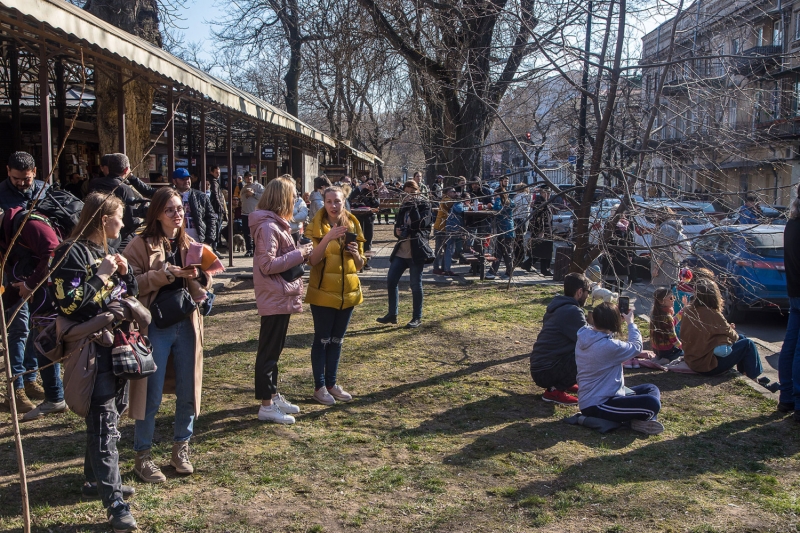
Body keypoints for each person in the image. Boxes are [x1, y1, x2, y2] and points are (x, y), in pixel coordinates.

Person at [50, 192, 139, 532]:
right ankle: (116, 505)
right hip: (90, 351)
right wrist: (101, 275)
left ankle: (93, 480)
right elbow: (68, 304)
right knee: (103, 426)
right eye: (119, 217)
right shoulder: (70, 253)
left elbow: (126, 296)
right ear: (104, 220)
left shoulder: (106, 252)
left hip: (118, 347)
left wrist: (126, 274)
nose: (123, 223)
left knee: (110, 417)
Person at [124, 187, 213, 483]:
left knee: (188, 390)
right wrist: (167, 274)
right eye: (170, 210)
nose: (177, 215)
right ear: (157, 214)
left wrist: (202, 277)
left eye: (180, 209)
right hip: (155, 327)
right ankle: (143, 457)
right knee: (151, 394)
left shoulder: (189, 242)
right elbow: (129, 285)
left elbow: (206, 275)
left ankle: (180, 448)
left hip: (187, 323)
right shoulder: (140, 244)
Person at [249, 177, 313, 422]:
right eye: (293, 195)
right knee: (268, 353)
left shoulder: (276, 224)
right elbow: (267, 265)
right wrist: (299, 254)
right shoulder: (268, 226)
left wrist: (300, 253)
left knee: (274, 351)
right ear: (282, 198)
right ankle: (266, 405)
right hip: (274, 294)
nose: (296, 200)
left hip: (280, 294)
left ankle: (273, 395)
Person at [0, 201, 65, 419]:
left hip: (46, 293)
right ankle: (32, 389)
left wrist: (30, 285)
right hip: (32, 291)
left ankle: (55, 396)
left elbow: (53, 253)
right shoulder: (8, 232)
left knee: (44, 340)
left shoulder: (28, 225)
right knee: (34, 337)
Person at [0, 152, 51, 412]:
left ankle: (31, 378)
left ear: (34, 171)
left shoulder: (45, 190)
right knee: (18, 328)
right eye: (16, 178)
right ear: (8, 171)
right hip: (12, 273)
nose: (22, 183)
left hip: (41, 271)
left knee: (35, 326)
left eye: (27, 179)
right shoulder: (0, 196)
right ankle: (15, 388)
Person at [305, 186, 365, 405]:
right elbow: (312, 260)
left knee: (337, 341)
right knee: (321, 340)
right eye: (328, 201)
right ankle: (319, 387)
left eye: (337, 201)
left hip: (347, 294)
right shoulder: (316, 225)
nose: (333, 206)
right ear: (324, 202)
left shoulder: (353, 223)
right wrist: (328, 237)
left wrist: (357, 254)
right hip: (322, 293)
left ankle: (331, 383)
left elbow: (359, 266)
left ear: (344, 201)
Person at [576, 302, 664, 434]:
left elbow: (605, 335)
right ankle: (640, 422)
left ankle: (643, 422)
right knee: (652, 404)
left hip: (604, 395)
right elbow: (636, 347)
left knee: (651, 389)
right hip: (598, 404)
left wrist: (614, 320)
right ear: (613, 323)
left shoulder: (585, 334)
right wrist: (630, 323)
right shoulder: (608, 347)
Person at [680, 279, 764, 380]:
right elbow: (734, 336)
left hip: (692, 360)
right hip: (707, 366)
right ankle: (754, 377)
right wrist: (729, 329)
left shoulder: (688, 310)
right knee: (748, 344)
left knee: (742, 338)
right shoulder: (714, 314)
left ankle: (747, 373)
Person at [530, 273, 591, 405]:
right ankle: (554, 391)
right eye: (588, 292)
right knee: (589, 353)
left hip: (540, 367)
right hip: (546, 370)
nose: (588, 296)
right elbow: (589, 341)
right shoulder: (572, 311)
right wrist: (609, 327)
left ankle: (563, 384)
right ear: (580, 292)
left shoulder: (558, 307)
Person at [377, 180, 432, 328]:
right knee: (391, 280)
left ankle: (416, 318)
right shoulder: (403, 207)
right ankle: (392, 314)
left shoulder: (425, 206)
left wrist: (413, 206)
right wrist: (397, 231)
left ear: (418, 192)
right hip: (402, 251)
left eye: (412, 193)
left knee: (415, 285)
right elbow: (398, 225)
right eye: (406, 194)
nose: (409, 197)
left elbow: (420, 224)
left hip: (416, 252)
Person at [86, 153, 143, 250]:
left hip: (95, 232)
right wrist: (141, 219)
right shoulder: (124, 189)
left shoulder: (94, 183)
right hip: (119, 236)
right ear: (126, 170)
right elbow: (131, 221)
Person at [779, 187, 800, 417]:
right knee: (797, 349)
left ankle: (787, 397)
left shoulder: (792, 225)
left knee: (791, 345)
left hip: (794, 292)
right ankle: (796, 401)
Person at [349, 178, 379, 268]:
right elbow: (351, 199)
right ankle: (358, 259)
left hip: (369, 218)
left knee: (368, 240)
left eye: (372, 184)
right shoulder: (360, 192)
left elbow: (376, 204)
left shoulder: (374, 194)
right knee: (359, 238)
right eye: (368, 184)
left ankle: (366, 261)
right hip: (359, 218)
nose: (370, 186)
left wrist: (372, 195)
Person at [651, 210, 685, 287]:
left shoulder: (666, 229)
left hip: (665, 270)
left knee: (664, 295)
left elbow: (664, 250)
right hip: (670, 267)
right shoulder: (667, 227)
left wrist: (656, 268)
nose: (655, 218)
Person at [649, 287, 684, 364]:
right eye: (671, 298)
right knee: (681, 353)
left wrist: (683, 310)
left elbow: (672, 323)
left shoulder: (655, 314)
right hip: (667, 350)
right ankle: (666, 360)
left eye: (674, 297)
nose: (674, 299)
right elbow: (673, 338)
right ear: (662, 301)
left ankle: (658, 357)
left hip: (656, 349)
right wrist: (682, 347)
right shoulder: (667, 316)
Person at [528, 186, 556, 276]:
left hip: (547, 229)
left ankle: (527, 264)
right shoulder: (540, 203)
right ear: (542, 193)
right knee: (545, 251)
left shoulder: (545, 202)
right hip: (543, 230)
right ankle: (545, 269)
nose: (548, 195)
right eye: (546, 193)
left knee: (539, 250)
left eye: (549, 193)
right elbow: (539, 218)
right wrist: (541, 230)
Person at [490, 183, 515, 279]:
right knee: (498, 252)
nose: (494, 197)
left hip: (507, 231)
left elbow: (497, 209)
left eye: (495, 195)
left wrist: (496, 200)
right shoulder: (507, 202)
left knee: (506, 253)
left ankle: (509, 273)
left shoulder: (507, 203)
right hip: (503, 230)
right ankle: (493, 271)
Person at [238, 172, 264, 257]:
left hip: (255, 213)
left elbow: (264, 197)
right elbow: (241, 198)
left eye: (250, 176)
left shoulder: (258, 186)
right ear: (244, 178)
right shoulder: (244, 188)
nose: (249, 178)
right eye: (247, 177)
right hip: (245, 213)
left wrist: (253, 194)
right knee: (246, 232)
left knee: (256, 232)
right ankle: (249, 249)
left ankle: (256, 250)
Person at [287, 176, 308, 244]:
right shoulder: (278, 199)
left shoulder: (299, 199)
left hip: (295, 232)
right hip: (281, 232)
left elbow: (303, 215)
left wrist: (291, 218)